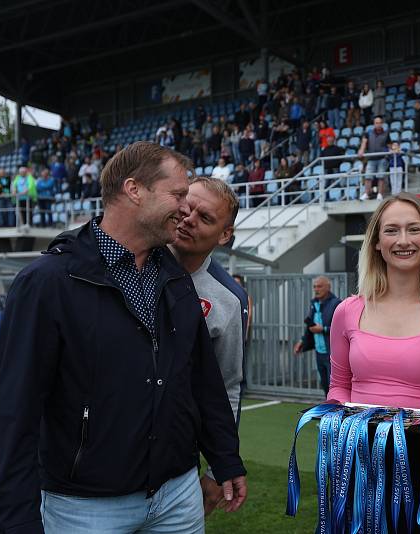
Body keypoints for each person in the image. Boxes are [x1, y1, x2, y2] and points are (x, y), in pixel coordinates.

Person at [0, 142, 247, 534]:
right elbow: (16, 411)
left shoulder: (177, 280)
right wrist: (14, 519)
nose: (185, 208)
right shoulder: (46, 283)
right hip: (84, 507)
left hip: (177, 496)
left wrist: (224, 458)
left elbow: (204, 382)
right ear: (134, 190)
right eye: (178, 195)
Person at [328, 192, 420, 532]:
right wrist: (336, 418)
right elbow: (338, 385)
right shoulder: (347, 311)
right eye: (392, 230)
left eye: (414, 230)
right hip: (358, 461)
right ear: (376, 243)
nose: (404, 241)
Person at [171, 177, 250, 517]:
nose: (189, 219)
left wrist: (219, 467)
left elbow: (228, 385)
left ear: (225, 235)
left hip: (175, 462)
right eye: (186, 208)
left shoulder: (228, 300)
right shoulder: (133, 260)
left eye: (205, 218)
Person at [294, 276, 342, 395]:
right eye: (314, 286)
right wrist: (302, 341)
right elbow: (310, 326)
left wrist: (323, 329)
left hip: (333, 354)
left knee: (335, 387)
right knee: (325, 385)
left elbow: (342, 329)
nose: (316, 289)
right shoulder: (314, 303)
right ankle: (329, 409)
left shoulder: (337, 304)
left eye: (319, 286)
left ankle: (337, 410)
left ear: (328, 287)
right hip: (319, 353)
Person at [358, 116, 391, 200]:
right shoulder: (368, 133)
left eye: (380, 123)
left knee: (381, 176)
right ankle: (366, 194)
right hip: (371, 158)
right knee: (368, 176)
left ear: (382, 124)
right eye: (376, 123)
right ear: (374, 124)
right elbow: (364, 142)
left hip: (382, 158)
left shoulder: (386, 133)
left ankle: (380, 194)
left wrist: (393, 150)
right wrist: (361, 150)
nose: (378, 124)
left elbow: (389, 144)